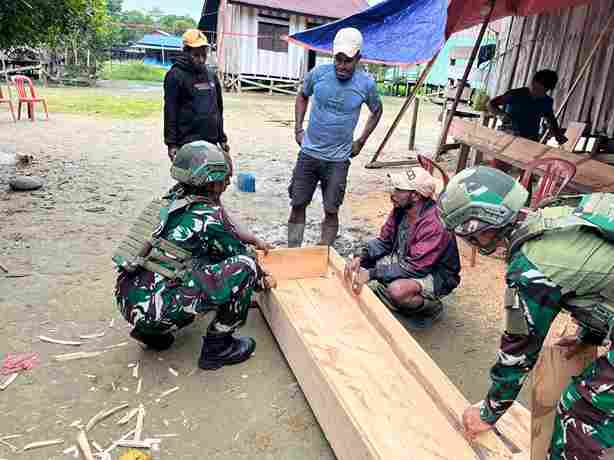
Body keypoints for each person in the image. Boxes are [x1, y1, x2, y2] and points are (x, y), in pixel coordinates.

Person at [438, 166, 614, 459]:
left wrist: (489, 411)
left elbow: (519, 351)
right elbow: (600, 275)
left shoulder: (530, 268)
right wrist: (590, 336)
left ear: (480, 228)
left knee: (582, 412)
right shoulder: (556, 213)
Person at [113, 141, 273, 370]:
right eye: (225, 178)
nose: (228, 183)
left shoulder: (168, 203)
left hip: (127, 300)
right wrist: (261, 278)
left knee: (181, 263)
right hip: (157, 312)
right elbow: (239, 254)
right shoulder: (209, 216)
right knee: (245, 266)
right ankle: (219, 347)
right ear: (211, 180)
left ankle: (150, 333)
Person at [288, 27, 383, 247]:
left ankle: (324, 253)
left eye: (347, 61)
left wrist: (361, 141)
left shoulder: (366, 84)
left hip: (338, 160)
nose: (341, 66)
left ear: (358, 58)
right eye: (338, 59)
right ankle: (293, 250)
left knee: (331, 209)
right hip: (309, 154)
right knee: (298, 204)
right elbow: (302, 96)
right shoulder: (318, 74)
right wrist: (298, 129)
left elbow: (377, 110)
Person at [344, 167, 461, 328]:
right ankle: (388, 293)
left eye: (399, 189)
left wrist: (372, 273)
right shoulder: (401, 209)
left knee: (397, 290)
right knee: (358, 263)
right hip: (408, 259)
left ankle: (430, 308)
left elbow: (415, 268)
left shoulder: (434, 224)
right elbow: (384, 241)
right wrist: (361, 255)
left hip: (436, 274)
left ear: (416, 196)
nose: (393, 193)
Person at [163, 29, 231, 174]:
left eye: (203, 55)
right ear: (186, 53)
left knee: (213, 178)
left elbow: (217, 109)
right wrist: (171, 143)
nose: (201, 59)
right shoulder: (175, 76)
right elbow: (170, 111)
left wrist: (222, 138)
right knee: (191, 179)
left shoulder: (211, 75)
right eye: (196, 55)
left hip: (211, 141)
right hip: (188, 142)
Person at [489, 69, 568, 144]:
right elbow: (491, 104)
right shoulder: (515, 94)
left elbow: (551, 119)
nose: (539, 94)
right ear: (533, 83)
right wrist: (502, 115)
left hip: (530, 139)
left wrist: (558, 135)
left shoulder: (546, 101)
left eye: (544, 91)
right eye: (537, 89)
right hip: (508, 136)